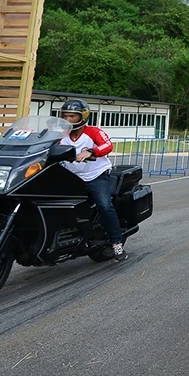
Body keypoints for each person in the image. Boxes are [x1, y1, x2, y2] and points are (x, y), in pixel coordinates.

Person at [58, 99, 126, 261]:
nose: (68, 120)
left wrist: (91, 151)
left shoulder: (93, 132)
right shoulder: (61, 134)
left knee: (104, 205)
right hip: (71, 178)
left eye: (72, 116)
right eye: (65, 116)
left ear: (83, 116)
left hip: (95, 176)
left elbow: (107, 145)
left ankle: (117, 243)